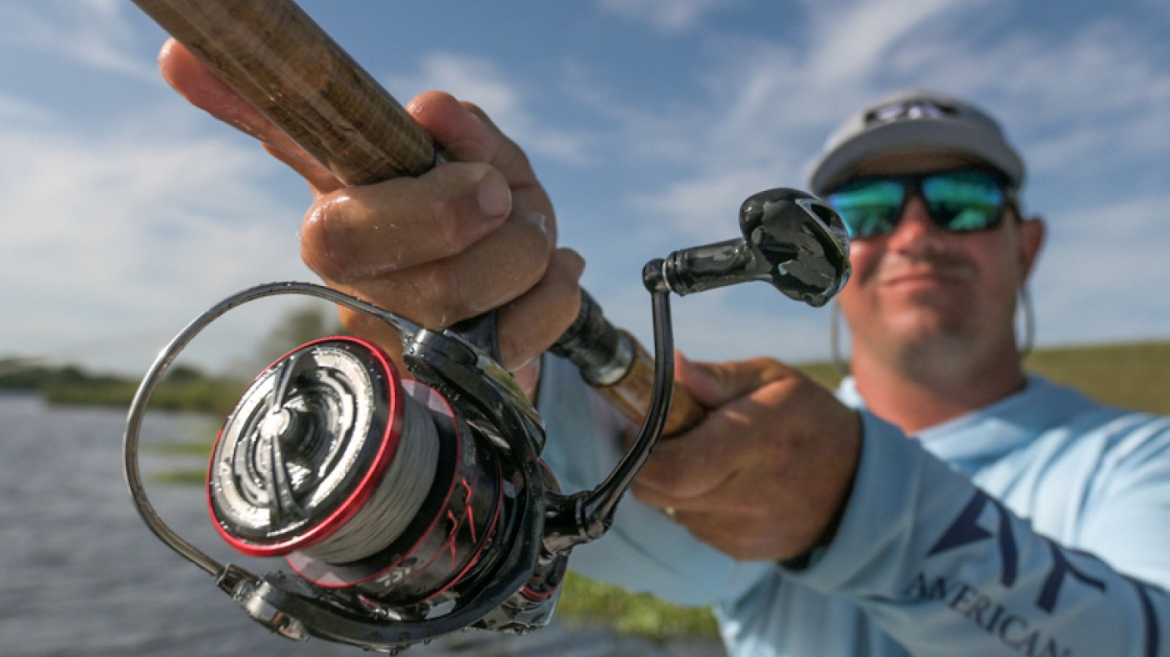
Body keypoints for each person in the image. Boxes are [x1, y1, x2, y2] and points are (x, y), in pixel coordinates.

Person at [159, 38, 1170, 656]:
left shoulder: (1140, 466)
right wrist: (460, 349)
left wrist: (859, 505)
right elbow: (594, 484)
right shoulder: (746, 464)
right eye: (868, 208)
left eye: (959, 202)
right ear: (834, 249)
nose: (914, 234)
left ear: (1024, 243)